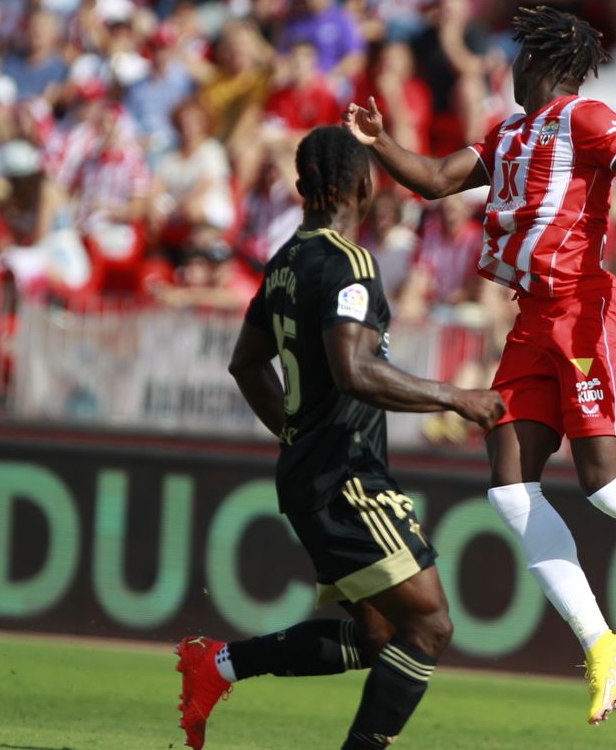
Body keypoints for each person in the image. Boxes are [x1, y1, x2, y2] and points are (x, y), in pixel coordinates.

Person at [345, 6, 616, 724]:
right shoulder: (509, 132)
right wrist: (382, 143)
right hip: (531, 319)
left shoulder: (586, 117)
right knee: (509, 489)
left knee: (604, 482)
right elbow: (439, 179)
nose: (509, 66)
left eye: (518, 56)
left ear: (542, 63)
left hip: (583, 309)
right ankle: (603, 645)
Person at [173, 126, 505, 750]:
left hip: (310, 472)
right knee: (430, 626)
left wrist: (295, 430)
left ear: (301, 188)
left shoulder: (283, 265)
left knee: (380, 636)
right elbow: (355, 369)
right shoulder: (350, 262)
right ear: (363, 182)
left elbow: (246, 363)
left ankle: (217, 666)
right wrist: (454, 395)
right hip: (347, 476)